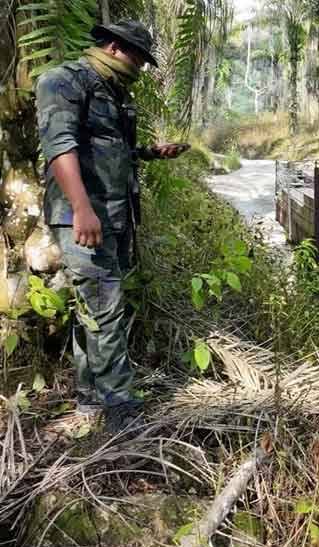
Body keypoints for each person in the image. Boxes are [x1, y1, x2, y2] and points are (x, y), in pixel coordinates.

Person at [35, 20, 189, 430]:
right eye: (137, 55)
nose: (140, 65)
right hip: (83, 218)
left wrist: (151, 153)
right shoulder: (64, 81)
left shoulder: (112, 91)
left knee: (93, 309)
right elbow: (59, 148)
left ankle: (88, 398)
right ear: (116, 47)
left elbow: (109, 151)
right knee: (106, 311)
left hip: (113, 219)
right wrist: (82, 208)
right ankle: (121, 409)